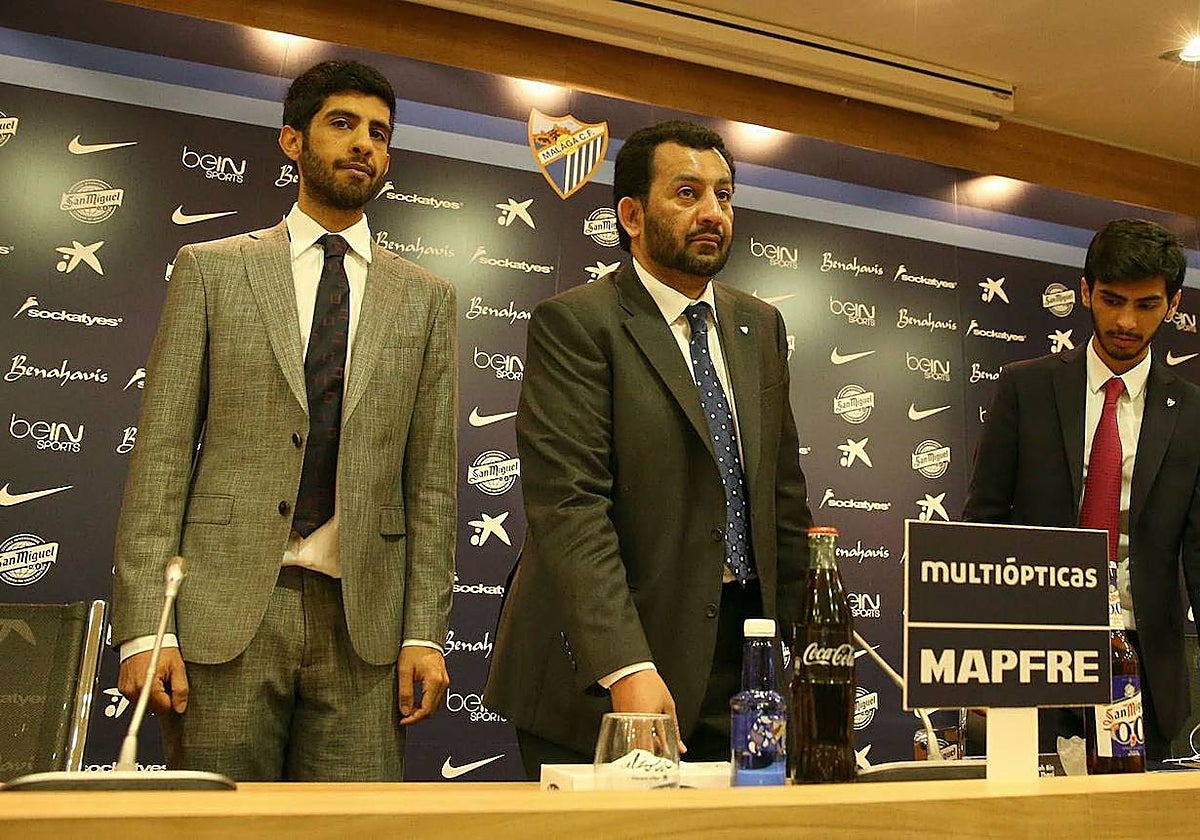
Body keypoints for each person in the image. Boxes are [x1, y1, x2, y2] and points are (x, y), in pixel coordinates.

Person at [112, 60, 457, 781]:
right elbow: (163, 458)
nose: (365, 143)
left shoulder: (426, 299)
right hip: (223, 615)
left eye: (379, 132)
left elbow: (430, 485)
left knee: (355, 836)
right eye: (343, 124)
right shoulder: (211, 270)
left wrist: (425, 630)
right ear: (292, 141)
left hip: (366, 629)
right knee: (216, 832)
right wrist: (146, 627)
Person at [484, 120, 813, 777]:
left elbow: (782, 504)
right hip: (602, 675)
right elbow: (569, 510)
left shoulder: (759, 325)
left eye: (724, 195)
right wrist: (625, 666)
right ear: (631, 215)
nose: (713, 213)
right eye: (687, 194)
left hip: (738, 670)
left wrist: (810, 649)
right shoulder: (579, 323)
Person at [964, 218, 1200, 760]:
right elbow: (983, 526)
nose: (1125, 321)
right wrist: (977, 653)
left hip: (1145, 663)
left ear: (1173, 303)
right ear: (1085, 290)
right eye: (1112, 299)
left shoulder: (1191, 412)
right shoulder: (1025, 387)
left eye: (1146, 305)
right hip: (1032, 656)